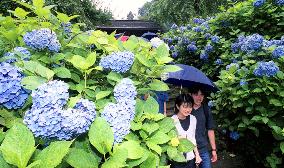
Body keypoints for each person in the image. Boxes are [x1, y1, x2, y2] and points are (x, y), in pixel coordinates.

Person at [171, 94, 202, 168]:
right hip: (176, 159)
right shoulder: (171, 120)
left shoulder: (193, 119)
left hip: (190, 159)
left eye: (190, 106)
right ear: (178, 106)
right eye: (185, 107)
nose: (188, 109)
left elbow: (193, 138)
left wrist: (197, 155)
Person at [189, 86, 217, 168]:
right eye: (196, 94)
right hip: (188, 149)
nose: (199, 97)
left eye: (201, 95)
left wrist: (214, 150)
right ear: (190, 95)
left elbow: (210, 130)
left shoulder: (206, 109)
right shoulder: (186, 110)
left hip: (203, 149)